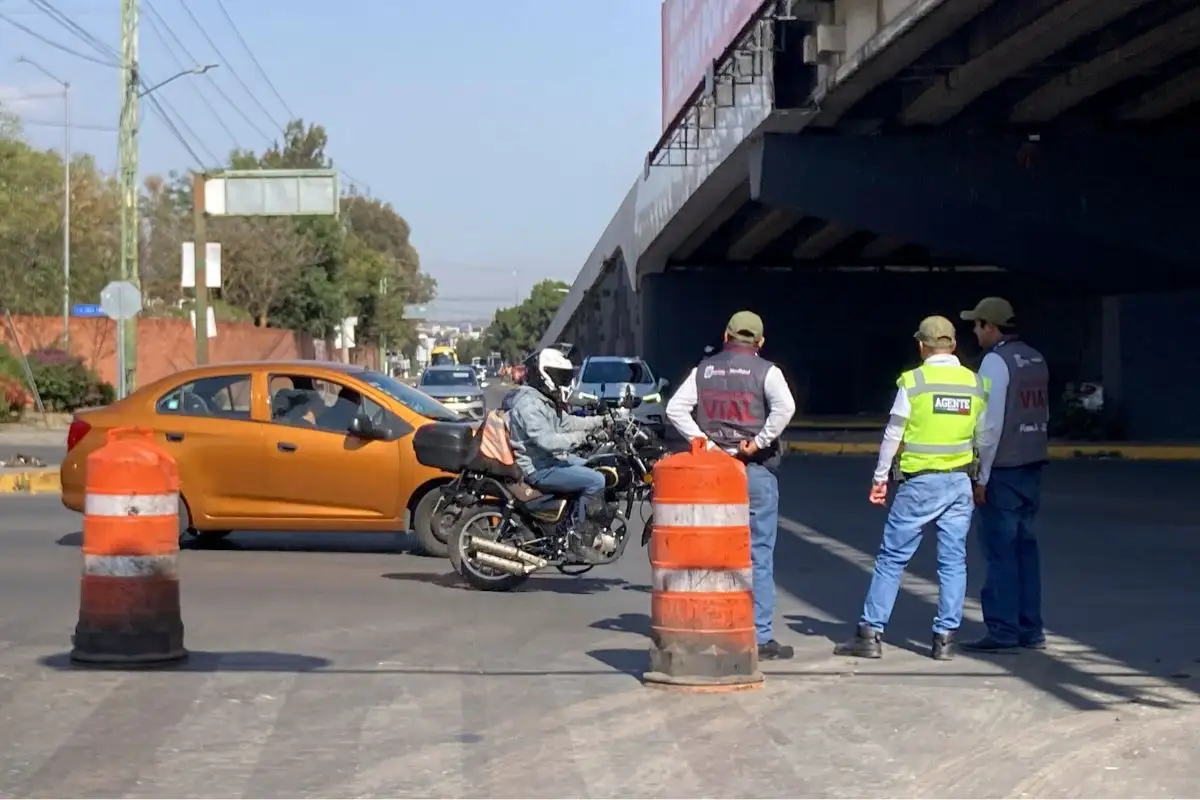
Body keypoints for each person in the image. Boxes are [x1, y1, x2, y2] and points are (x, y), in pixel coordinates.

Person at [833, 316, 988, 661]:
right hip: (960, 482)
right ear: (953, 346)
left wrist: (879, 477)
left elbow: (894, 433)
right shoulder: (974, 383)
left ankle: (870, 633)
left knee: (892, 559)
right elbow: (985, 438)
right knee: (953, 562)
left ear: (922, 346)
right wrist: (983, 480)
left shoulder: (914, 381)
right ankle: (945, 638)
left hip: (920, 483)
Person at [665, 311, 797, 660]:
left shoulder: (703, 370)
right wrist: (759, 441)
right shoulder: (767, 371)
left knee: (713, 552)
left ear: (726, 335)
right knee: (759, 554)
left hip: (714, 474)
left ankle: (713, 625)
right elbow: (786, 407)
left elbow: (675, 409)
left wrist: (705, 444)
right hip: (754, 471)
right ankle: (760, 635)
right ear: (760, 342)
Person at [958, 297, 1050, 653]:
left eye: (977, 325)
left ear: (990, 326)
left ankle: (1003, 630)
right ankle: (1031, 628)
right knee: (1026, 549)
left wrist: (980, 476)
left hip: (1004, 469)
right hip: (1032, 464)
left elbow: (990, 424)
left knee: (1001, 552)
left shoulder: (995, 362)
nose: (975, 332)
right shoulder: (1034, 358)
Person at [507, 347, 611, 562]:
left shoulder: (542, 399)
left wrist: (601, 422)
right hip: (538, 468)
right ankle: (578, 541)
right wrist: (585, 437)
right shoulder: (529, 404)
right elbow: (548, 441)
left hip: (549, 460)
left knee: (593, 464)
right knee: (595, 479)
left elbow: (566, 422)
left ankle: (568, 521)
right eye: (559, 375)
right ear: (544, 374)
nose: (562, 381)